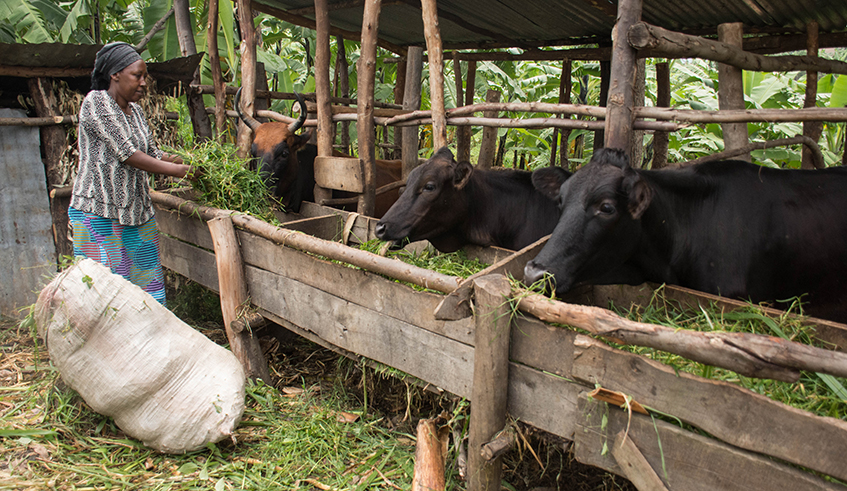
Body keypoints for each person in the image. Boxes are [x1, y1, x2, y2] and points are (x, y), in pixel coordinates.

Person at [69, 42, 199, 306]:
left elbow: (153, 152)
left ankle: (150, 344)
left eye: (145, 77)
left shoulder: (136, 112)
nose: (143, 83)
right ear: (115, 74)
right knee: (102, 295)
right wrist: (181, 171)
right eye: (136, 76)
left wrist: (193, 162)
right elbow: (127, 153)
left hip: (137, 212)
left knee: (149, 290)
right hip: (98, 212)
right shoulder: (96, 103)